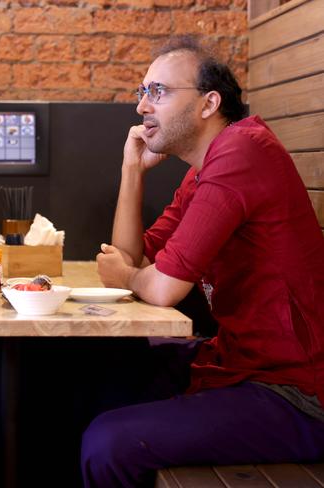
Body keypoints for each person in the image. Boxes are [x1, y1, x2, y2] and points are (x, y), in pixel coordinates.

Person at [81, 35, 324, 487]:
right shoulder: (203, 171)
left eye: (159, 92)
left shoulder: (242, 152)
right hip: (238, 363)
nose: (141, 107)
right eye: (142, 92)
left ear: (209, 103)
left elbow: (161, 287)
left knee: (107, 442)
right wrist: (131, 169)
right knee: (105, 373)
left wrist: (130, 275)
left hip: (298, 393)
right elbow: (133, 256)